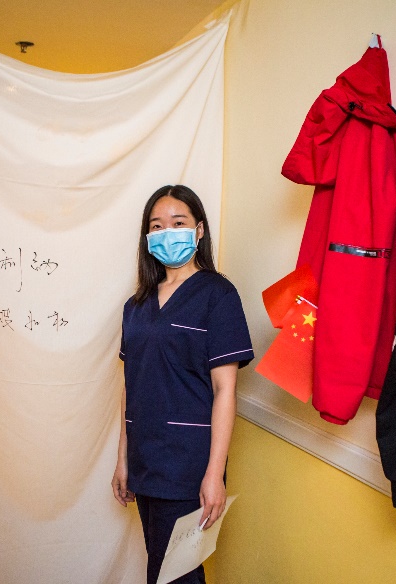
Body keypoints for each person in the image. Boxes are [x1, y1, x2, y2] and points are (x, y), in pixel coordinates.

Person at [112, 185, 253, 584]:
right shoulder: (136, 306)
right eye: (157, 226)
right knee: (160, 568)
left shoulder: (218, 295)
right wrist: (123, 459)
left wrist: (214, 474)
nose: (167, 233)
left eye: (178, 223)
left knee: (177, 575)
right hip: (145, 459)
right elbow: (130, 386)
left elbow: (225, 390)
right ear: (147, 236)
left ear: (199, 230)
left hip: (188, 464)